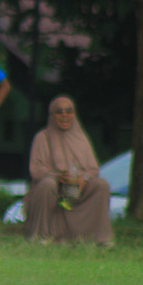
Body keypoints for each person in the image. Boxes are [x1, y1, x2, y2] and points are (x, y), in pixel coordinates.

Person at [23, 95, 114, 245]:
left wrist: (82, 179)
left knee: (101, 185)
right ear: (52, 115)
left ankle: (99, 237)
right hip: (54, 190)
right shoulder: (42, 138)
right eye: (59, 112)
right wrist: (58, 177)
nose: (65, 115)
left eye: (69, 111)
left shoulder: (81, 138)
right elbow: (37, 171)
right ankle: (42, 235)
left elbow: (93, 169)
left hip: (77, 190)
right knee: (47, 185)